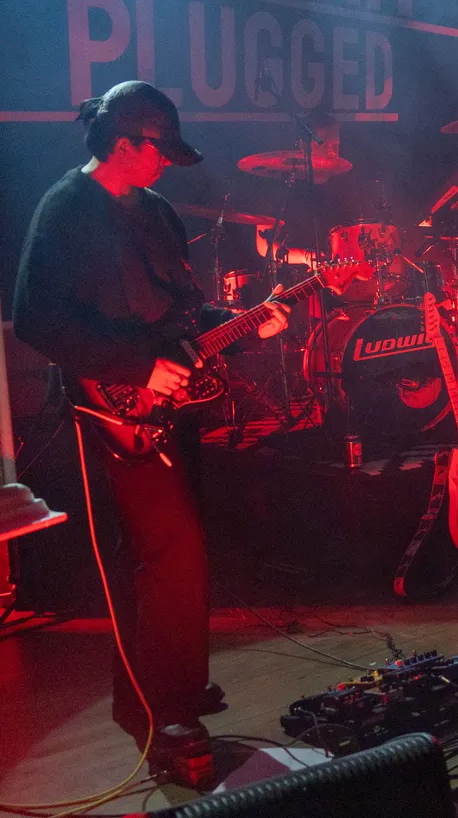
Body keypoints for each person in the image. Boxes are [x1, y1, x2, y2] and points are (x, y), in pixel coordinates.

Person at [12, 81, 290, 776]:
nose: (166, 163)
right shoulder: (65, 208)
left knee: (180, 552)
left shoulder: (159, 211)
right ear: (121, 143)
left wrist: (247, 325)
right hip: (110, 409)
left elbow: (185, 317)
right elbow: (38, 320)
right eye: (158, 150)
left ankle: (177, 687)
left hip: (169, 405)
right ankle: (159, 711)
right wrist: (137, 366)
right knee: (165, 553)